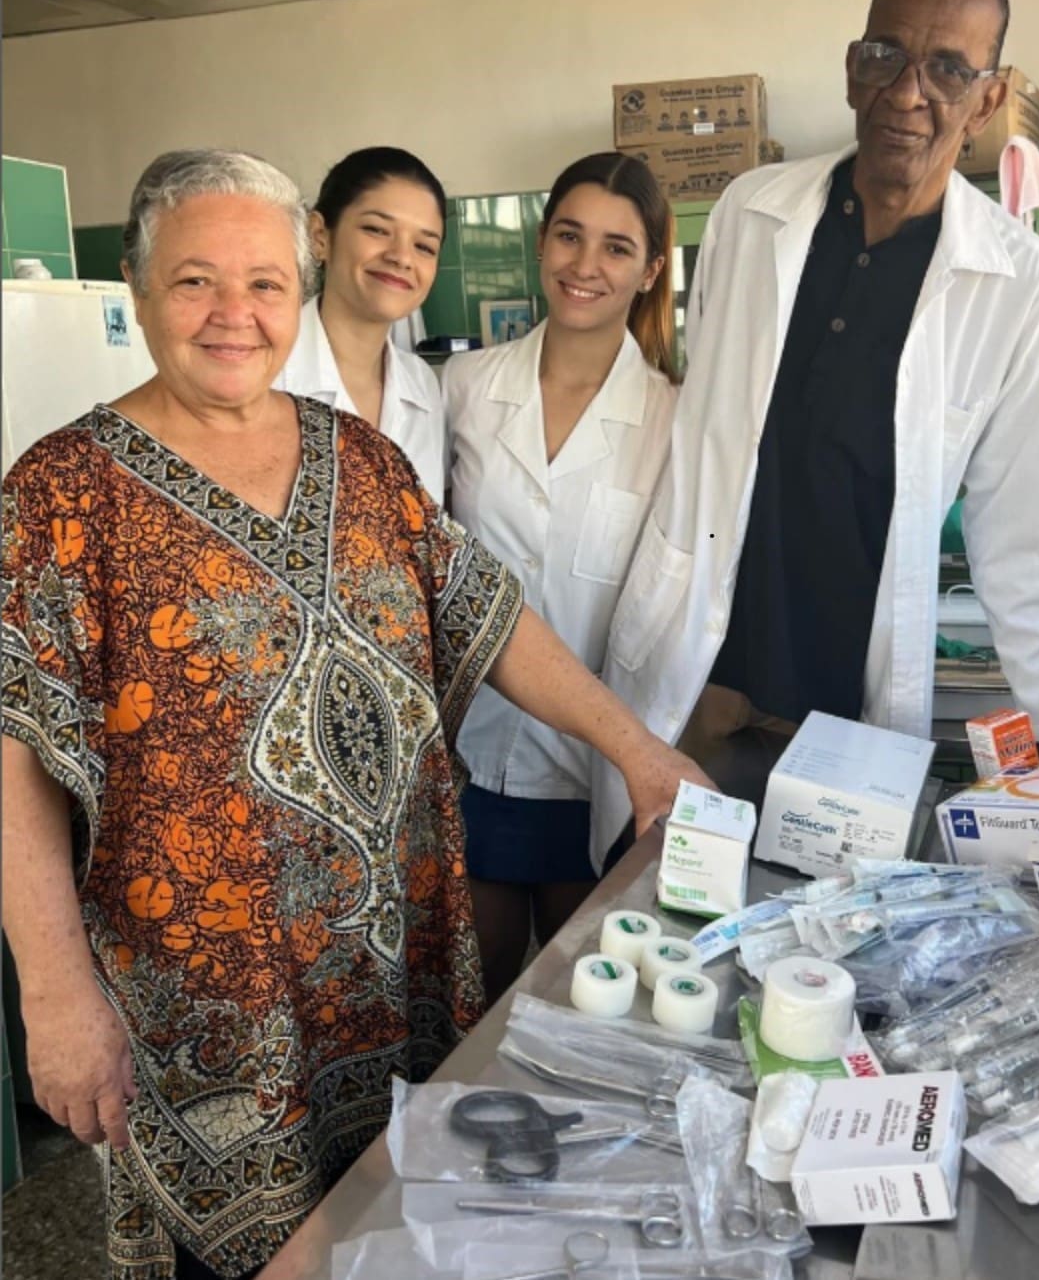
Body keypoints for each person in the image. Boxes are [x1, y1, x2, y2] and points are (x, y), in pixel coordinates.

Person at [0, 149, 707, 1280]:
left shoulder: (364, 460)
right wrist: (52, 991)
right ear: (137, 289)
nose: (234, 314)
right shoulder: (61, 492)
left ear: (299, 284)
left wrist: (639, 749)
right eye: (194, 282)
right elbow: (15, 754)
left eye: (264, 283)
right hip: (210, 1018)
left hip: (394, 972)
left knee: (390, 1237)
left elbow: (492, 614)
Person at [594, 0, 1039, 864]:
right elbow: (708, 437)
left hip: (853, 731)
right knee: (649, 930)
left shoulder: (1018, 283)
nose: (908, 91)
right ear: (851, 68)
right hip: (702, 694)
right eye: (885, 54)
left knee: (821, 961)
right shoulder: (750, 218)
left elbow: (1032, 523)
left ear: (988, 99)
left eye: (949, 68)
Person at [443, 152, 679, 1001]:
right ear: (542, 244)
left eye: (618, 248)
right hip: (471, 761)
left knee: (581, 1015)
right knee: (471, 1013)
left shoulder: (673, 420)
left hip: (600, 774)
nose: (588, 265)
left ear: (652, 269)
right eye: (571, 237)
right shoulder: (463, 389)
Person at [276, 146, 446, 499]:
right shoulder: (265, 372)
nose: (401, 257)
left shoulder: (422, 386)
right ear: (320, 236)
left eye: (424, 247)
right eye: (377, 229)